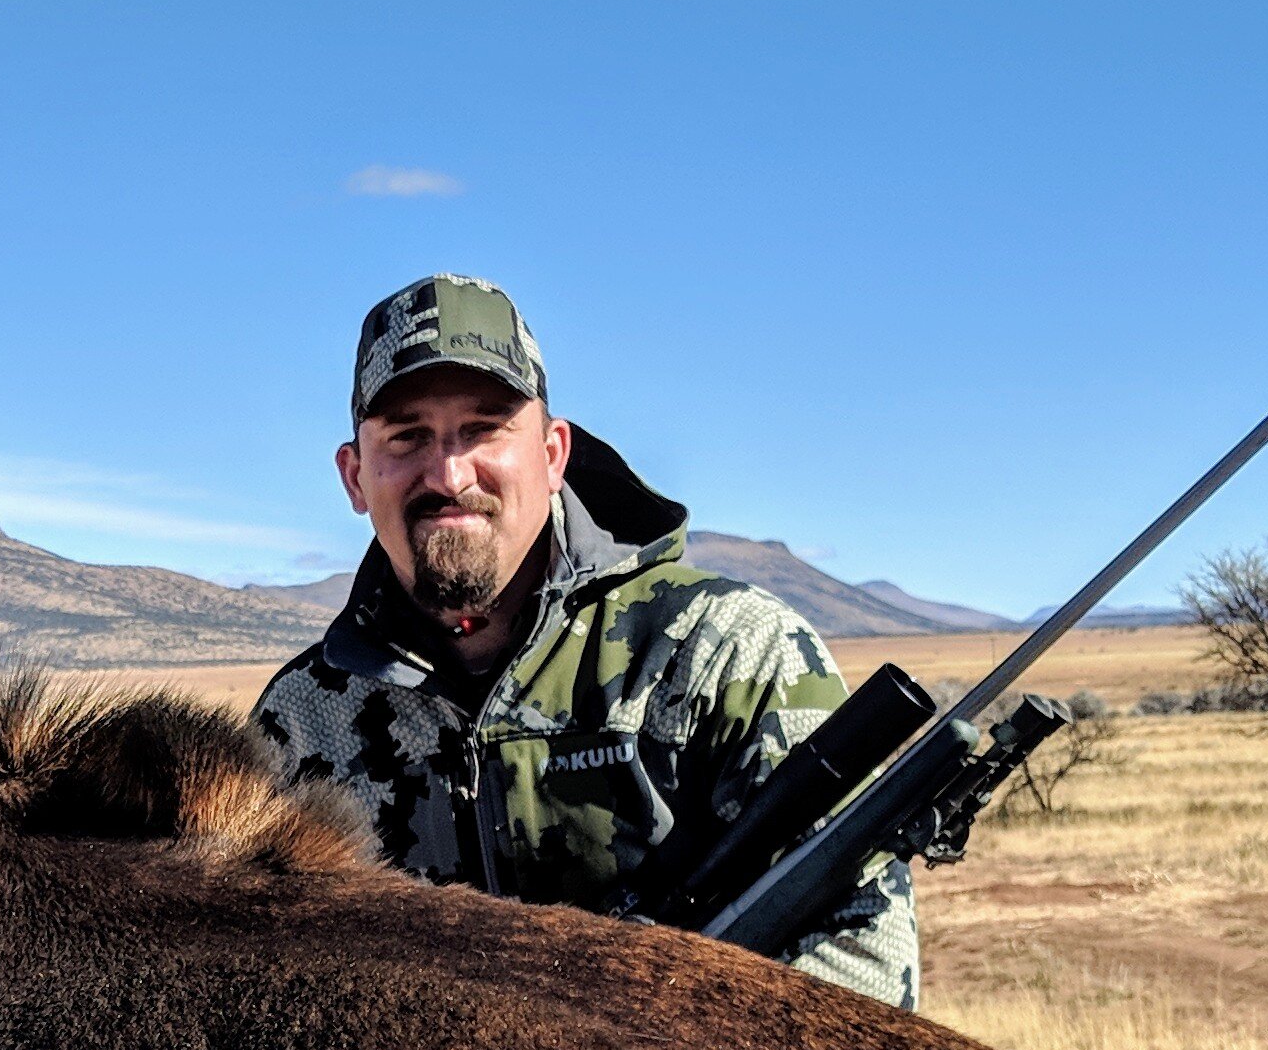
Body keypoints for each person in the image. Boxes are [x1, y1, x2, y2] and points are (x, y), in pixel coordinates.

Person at [253, 273, 919, 1005]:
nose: (448, 473)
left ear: (552, 453)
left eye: (484, 428)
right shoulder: (298, 722)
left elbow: (862, 971)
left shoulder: (727, 652)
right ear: (354, 477)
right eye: (408, 436)